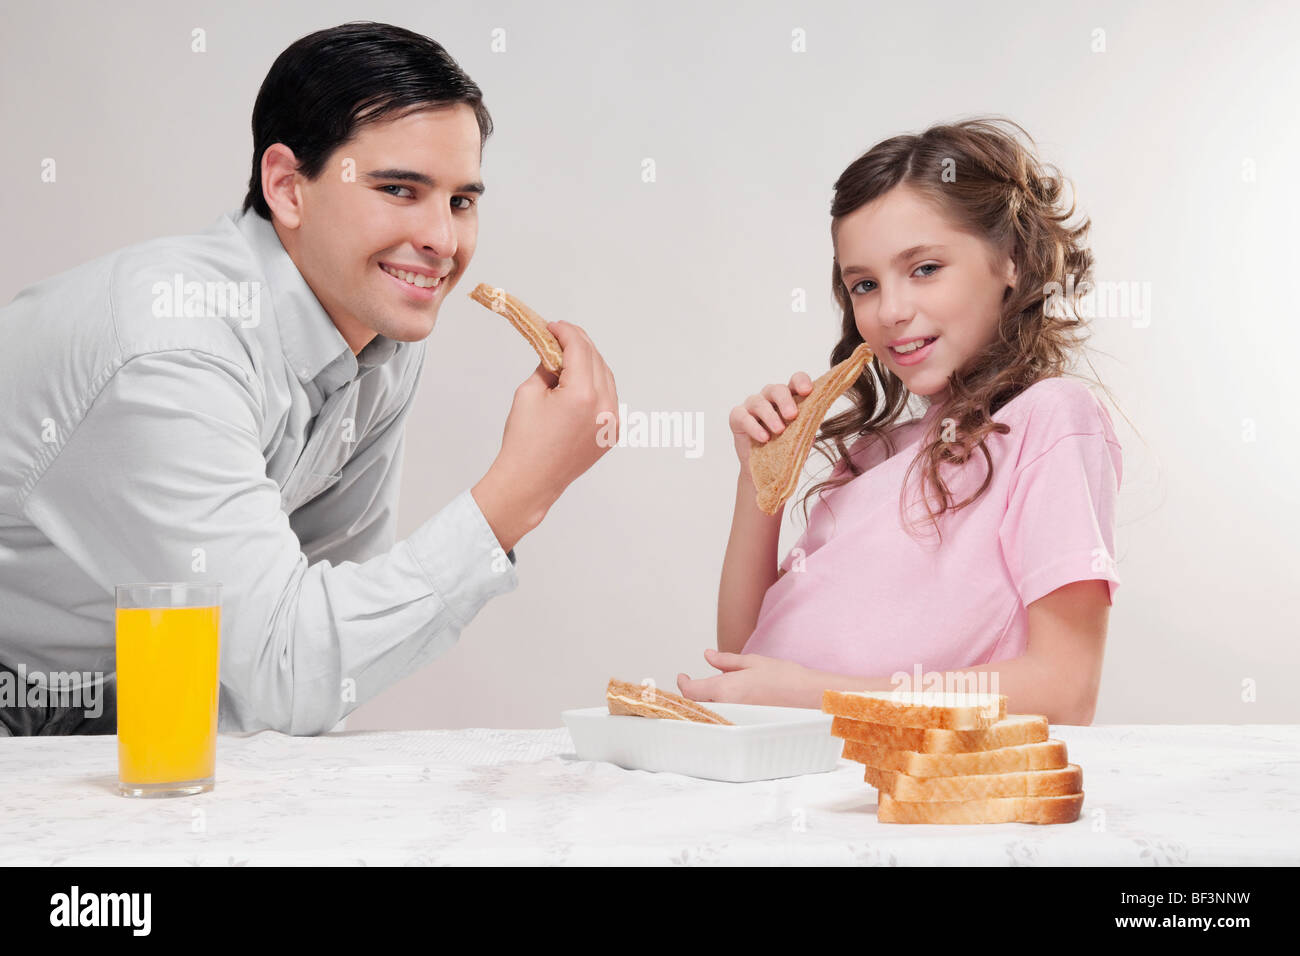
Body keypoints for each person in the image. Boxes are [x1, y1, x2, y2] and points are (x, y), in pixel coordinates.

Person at [0, 22, 618, 736]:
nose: (443, 241)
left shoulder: (378, 332)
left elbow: (322, 634)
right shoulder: (169, 350)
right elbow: (290, 670)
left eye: (460, 200)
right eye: (399, 189)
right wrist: (517, 494)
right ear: (288, 188)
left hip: (134, 704)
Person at [681, 117, 1122, 725]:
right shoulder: (871, 454)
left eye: (924, 269)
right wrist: (759, 484)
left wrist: (818, 697)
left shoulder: (1051, 419)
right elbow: (745, 657)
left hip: (893, 795)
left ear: (1012, 260)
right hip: (786, 771)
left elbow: (1064, 689)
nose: (889, 310)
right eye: (863, 284)